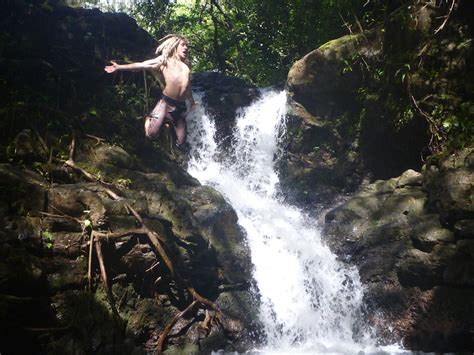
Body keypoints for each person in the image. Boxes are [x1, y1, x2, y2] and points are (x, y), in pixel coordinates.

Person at [104, 34, 197, 146]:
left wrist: (191, 102)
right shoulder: (165, 60)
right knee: (151, 134)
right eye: (182, 45)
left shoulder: (186, 67)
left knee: (180, 143)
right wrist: (119, 67)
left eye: (187, 46)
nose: (186, 48)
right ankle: (148, 118)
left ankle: (166, 123)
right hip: (166, 103)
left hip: (180, 107)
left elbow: (187, 86)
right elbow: (142, 65)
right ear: (174, 47)